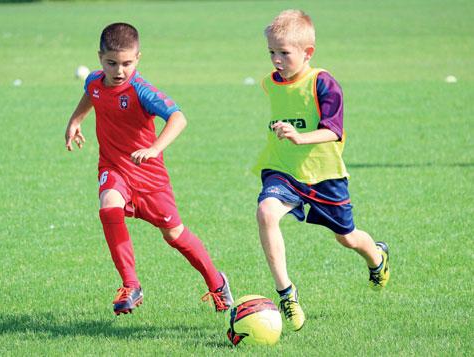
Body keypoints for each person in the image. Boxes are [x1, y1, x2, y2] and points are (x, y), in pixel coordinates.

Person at [64, 22, 233, 315]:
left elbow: (178, 117)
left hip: (149, 178)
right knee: (109, 207)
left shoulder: (142, 90)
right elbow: (91, 95)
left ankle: (217, 283)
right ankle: (131, 284)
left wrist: (155, 148)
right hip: (115, 168)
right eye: (111, 63)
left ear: (138, 58)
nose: (119, 70)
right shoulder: (94, 81)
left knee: (174, 235)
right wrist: (75, 121)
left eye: (127, 63)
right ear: (99, 58)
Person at [253, 10, 390, 331]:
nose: (276, 60)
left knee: (348, 238)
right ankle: (286, 293)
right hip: (282, 168)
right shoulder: (269, 83)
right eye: (271, 52)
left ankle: (377, 258)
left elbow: (333, 130)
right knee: (266, 213)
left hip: (324, 175)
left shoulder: (324, 83)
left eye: (284, 53)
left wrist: (300, 137)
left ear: (307, 53)